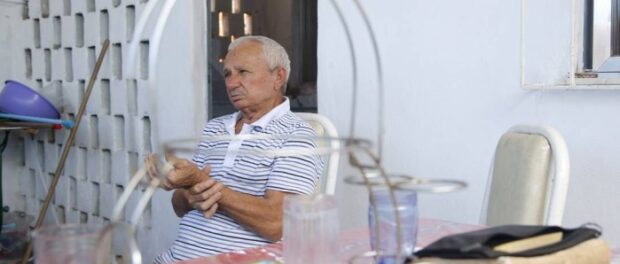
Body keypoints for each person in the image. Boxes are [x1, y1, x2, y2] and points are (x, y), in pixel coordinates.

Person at [153, 36, 324, 263]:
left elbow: (276, 224)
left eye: (243, 72)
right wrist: (189, 192)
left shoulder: (297, 135)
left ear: (278, 76)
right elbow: (179, 207)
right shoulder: (215, 128)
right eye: (227, 74)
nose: (231, 83)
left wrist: (207, 187)